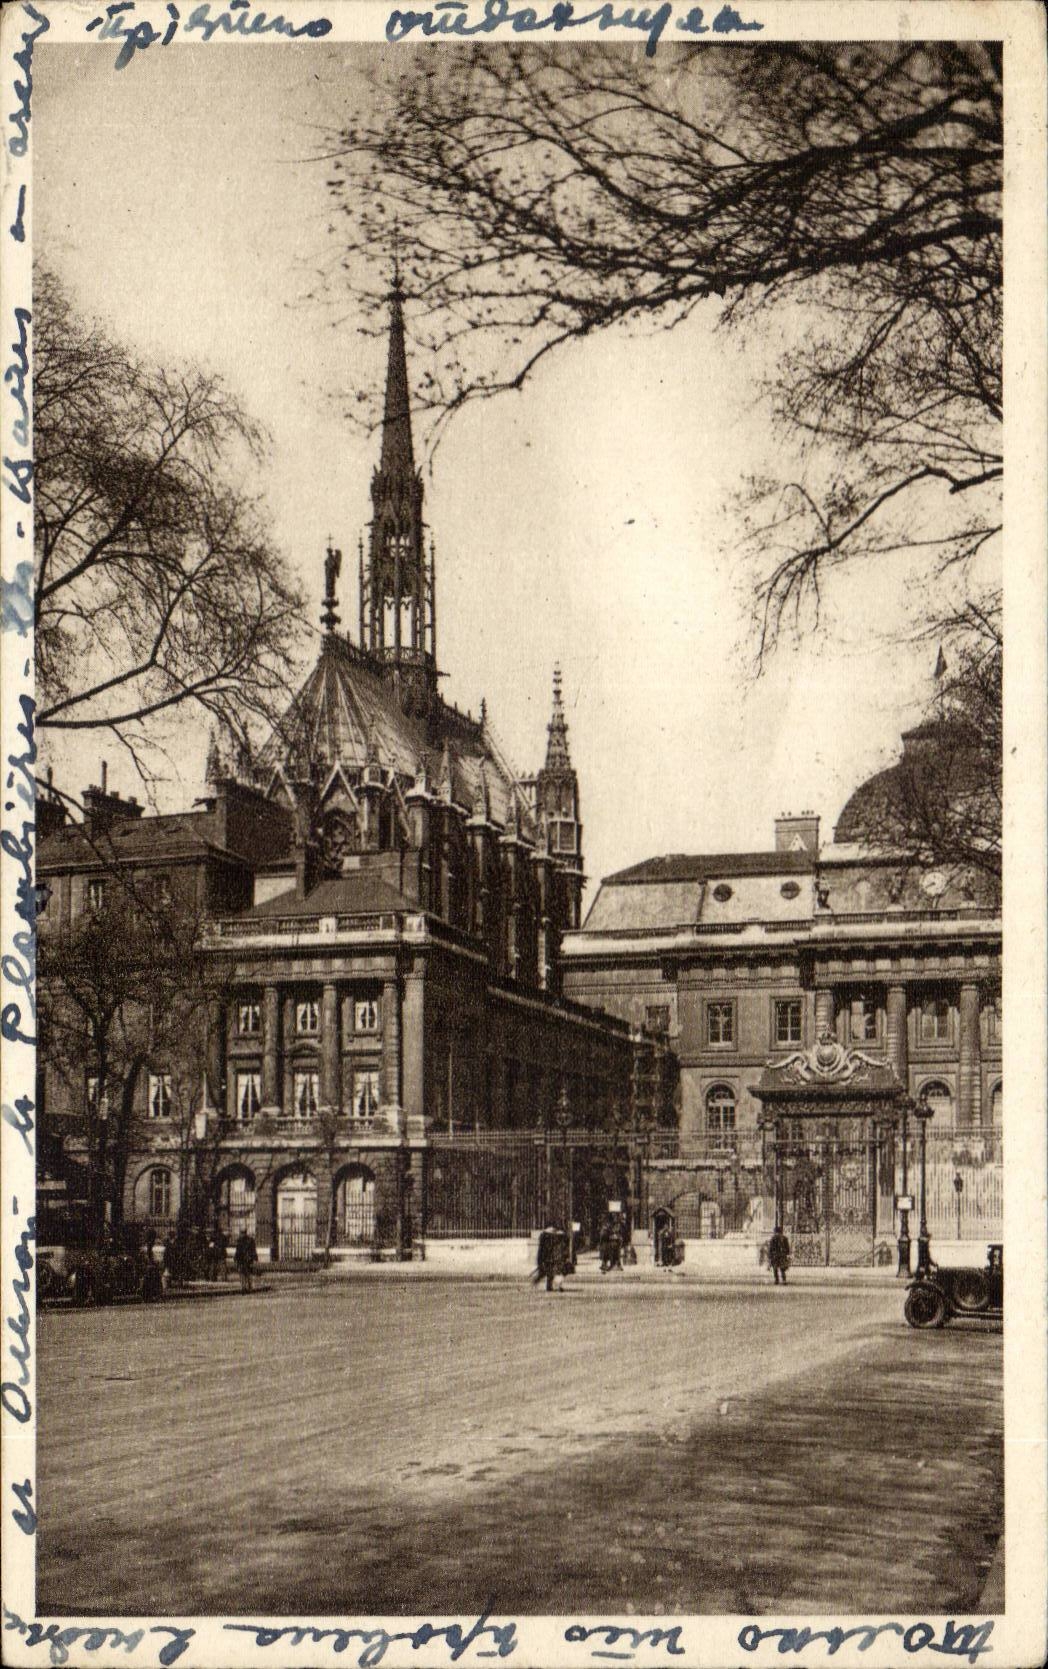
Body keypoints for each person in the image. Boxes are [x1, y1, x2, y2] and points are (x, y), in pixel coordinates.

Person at [534, 1223, 566, 1292]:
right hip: (551, 1257)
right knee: (555, 1272)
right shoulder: (551, 1237)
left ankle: (549, 1286)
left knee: (550, 1272)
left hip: (548, 1256)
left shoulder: (545, 1236)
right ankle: (556, 1286)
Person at [234, 1228, 258, 1293]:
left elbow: (237, 1251)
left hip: (242, 1259)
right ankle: (248, 1287)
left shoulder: (240, 1240)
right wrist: (255, 1258)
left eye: (242, 1233)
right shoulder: (250, 1240)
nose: (241, 1234)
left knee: (243, 1274)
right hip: (247, 1259)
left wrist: (235, 1258)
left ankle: (244, 1287)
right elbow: (254, 1250)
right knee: (248, 1273)